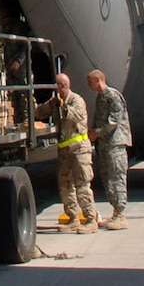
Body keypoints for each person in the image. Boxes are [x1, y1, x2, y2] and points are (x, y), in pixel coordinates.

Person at [35, 72, 97, 232]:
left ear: (63, 86)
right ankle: (72, 217)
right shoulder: (55, 102)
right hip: (64, 150)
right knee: (65, 185)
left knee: (82, 184)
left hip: (79, 149)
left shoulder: (76, 100)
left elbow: (76, 116)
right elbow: (41, 112)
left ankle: (90, 219)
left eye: (57, 87)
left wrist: (63, 107)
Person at [87, 68, 132, 229]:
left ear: (98, 80)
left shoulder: (112, 96)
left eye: (90, 81)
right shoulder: (101, 97)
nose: (88, 85)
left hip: (115, 145)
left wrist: (96, 133)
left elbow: (114, 121)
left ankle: (120, 215)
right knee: (108, 179)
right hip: (106, 145)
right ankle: (116, 213)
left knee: (116, 177)